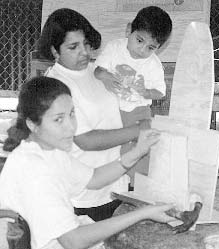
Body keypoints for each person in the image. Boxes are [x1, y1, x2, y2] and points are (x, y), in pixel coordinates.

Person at [0, 76, 175, 249]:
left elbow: (94, 178)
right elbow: (73, 241)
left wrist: (138, 151)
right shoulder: (36, 172)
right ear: (32, 124)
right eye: (58, 119)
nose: (71, 127)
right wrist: (144, 213)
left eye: (72, 114)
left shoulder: (46, 150)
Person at [37, 8, 152, 221]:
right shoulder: (57, 85)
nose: (84, 53)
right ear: (55, 51)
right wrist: (138, 131)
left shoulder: (96, 69)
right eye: (73, 47)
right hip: (87, 194)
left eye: (86, 44)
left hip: (117, 181)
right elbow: (85, 140)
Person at [94, 6, 172, 186]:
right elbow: (98, 71)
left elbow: (160, 92)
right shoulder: (115, 47)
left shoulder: (153, 64)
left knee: (140, 149)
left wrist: (144, 91)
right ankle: (114, 183)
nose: (142, 49)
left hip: (138, 112)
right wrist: (107, 76)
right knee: (112, 150)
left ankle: (136, 186)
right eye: (139, 40)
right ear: (129, 30)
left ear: (158, 48)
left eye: (151, 47)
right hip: (111, 110)